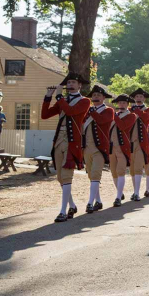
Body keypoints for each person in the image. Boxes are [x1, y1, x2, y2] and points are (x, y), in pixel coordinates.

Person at [41, 73, 91, 223]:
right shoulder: (63, 100)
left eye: (73, 82)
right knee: (60, 177)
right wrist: (48, 97)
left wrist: (58, 97)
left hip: (72, 142)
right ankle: (72, 205)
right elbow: (44, 115)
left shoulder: (84, 101)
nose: (70, 84)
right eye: (68, 82)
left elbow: (69, 111)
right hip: (58, 140)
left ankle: (63, 211)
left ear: (79, 85)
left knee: (67, 175)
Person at [82, 85, 114, 213]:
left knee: (96, 174)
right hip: (87, 148)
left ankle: (90, 203)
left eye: (98, 96)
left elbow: (101, 121)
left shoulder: (108, 110)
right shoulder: (88, 111)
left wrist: (91, 111)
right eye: (94, 95)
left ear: (103, 98)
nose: (95, 97)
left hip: (100, 148)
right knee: (91, 175)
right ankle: (98, 201)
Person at [109, 94, 137, 207]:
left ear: (127, 104)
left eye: (124, 103)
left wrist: (113, 115)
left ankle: (118, 197)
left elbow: (122, 126)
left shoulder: (131, 116)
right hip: (111, 146)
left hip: (123, 147)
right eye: (120, 103)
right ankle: (120, 193)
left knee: (121, 171)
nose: (121, 104)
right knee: (113, 172)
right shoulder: (113, 115)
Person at [128, 88, 149, 201]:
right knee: (132, 169)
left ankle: (137, 192)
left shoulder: (148, 109)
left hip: (141, 142)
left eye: (141, 97)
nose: (138, 99)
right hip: (130, 142)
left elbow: (146, 118)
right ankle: (135, 191)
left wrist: (136, 110)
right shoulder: (129, 109)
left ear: (144, 98)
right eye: (137, 97)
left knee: (138, 167)